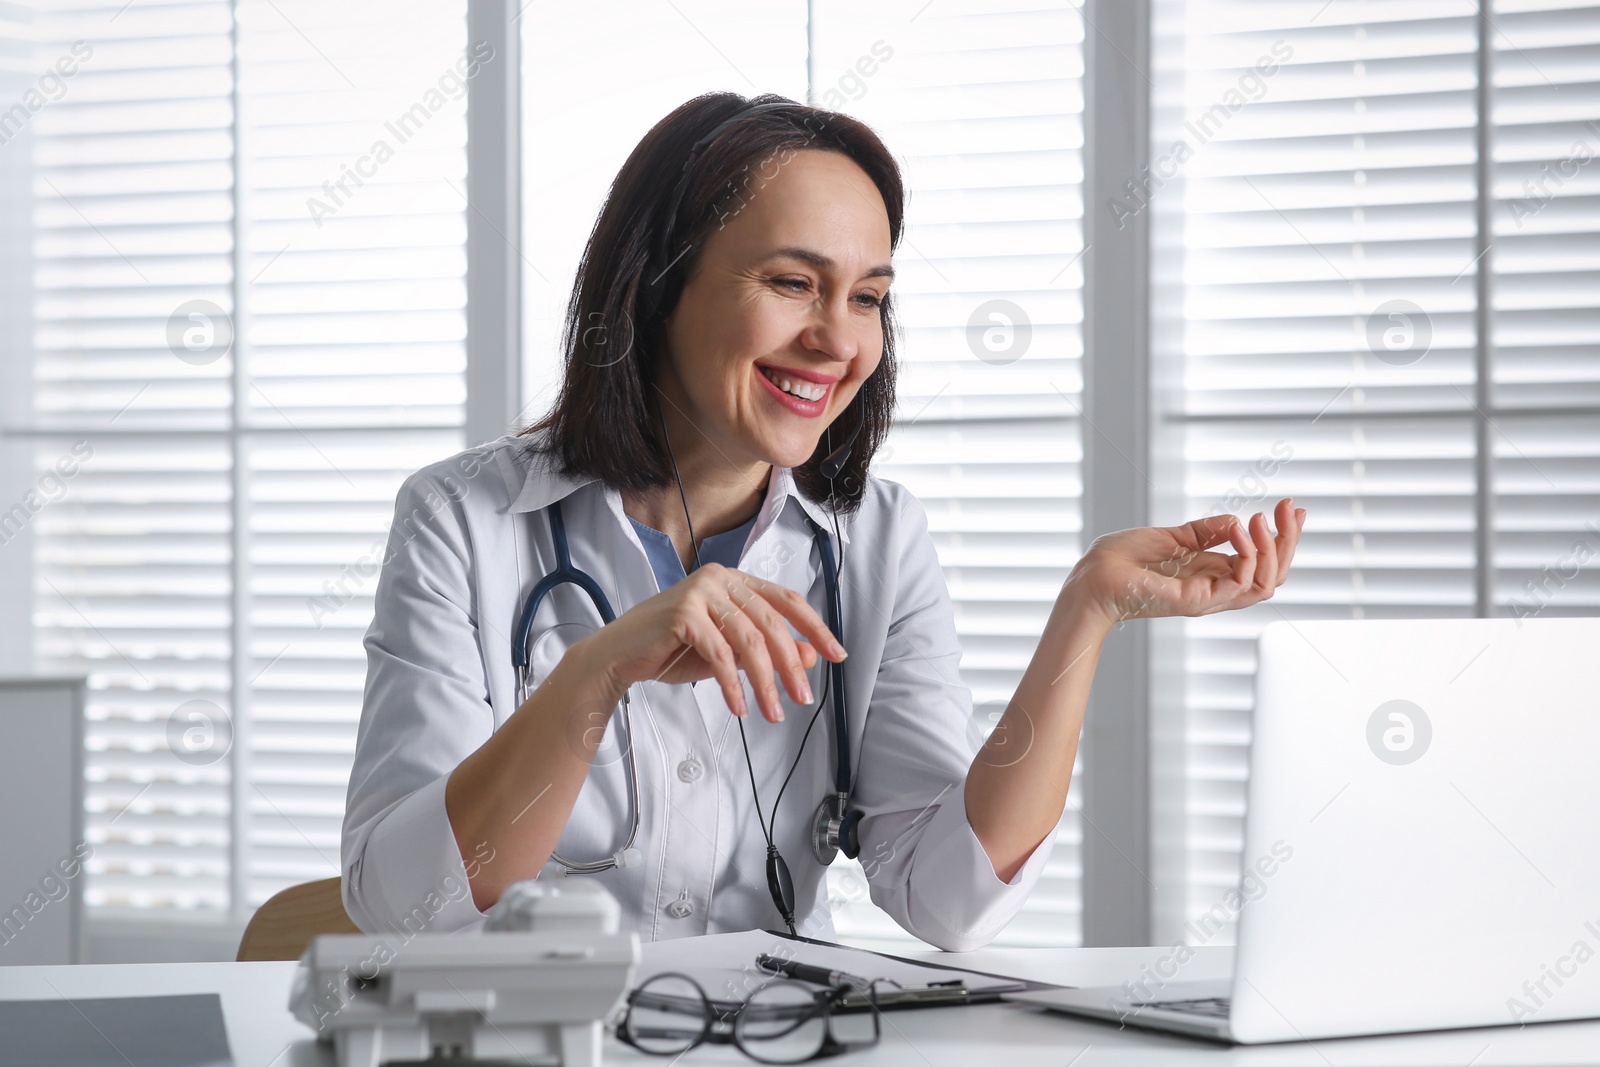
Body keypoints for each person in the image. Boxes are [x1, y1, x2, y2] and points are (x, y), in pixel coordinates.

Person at [340, 92, 1305, 951]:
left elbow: (951, 898)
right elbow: (402, 903)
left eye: (869, 298)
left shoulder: (877, 540)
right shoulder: (461, 521)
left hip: (781, 1037)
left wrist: (1088, 612)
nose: (837, 340)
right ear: (658, 284)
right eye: (792, 283)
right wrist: (596, 673)